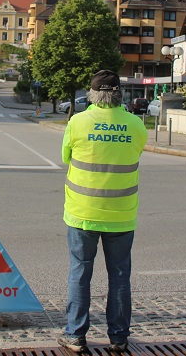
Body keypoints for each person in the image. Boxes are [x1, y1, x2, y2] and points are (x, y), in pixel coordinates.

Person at [58, 70, 148, 353]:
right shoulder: (136, 125)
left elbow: (65, 157)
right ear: (120, 94)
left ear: (92, 95)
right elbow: (136, 153)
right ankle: (119, 337)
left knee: (80, 272)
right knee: (120, 276)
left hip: (82, 212)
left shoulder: (77, 122)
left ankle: (75, 335)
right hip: (121, 215)